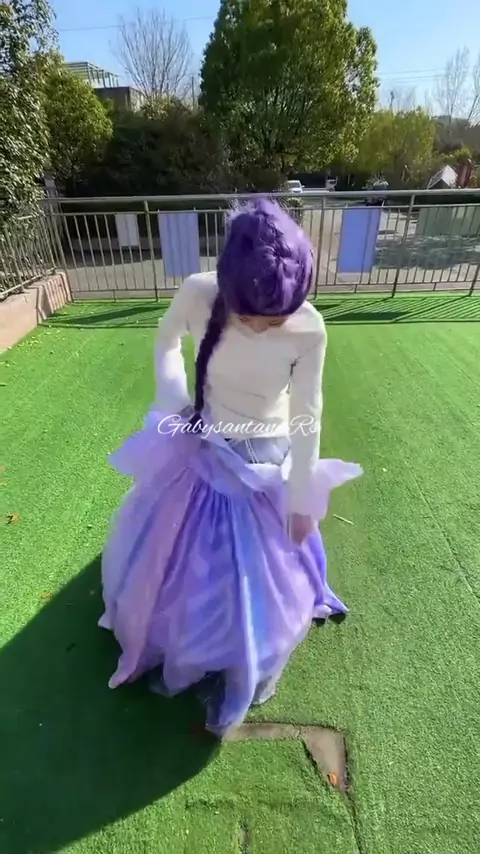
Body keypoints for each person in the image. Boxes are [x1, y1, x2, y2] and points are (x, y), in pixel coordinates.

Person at [99, 199, 362, 738]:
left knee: (260, 567)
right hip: (203, 440)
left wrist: (301, 497)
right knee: (179, 550)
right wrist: (174, 398)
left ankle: (244, 639)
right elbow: (167, 338)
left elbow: (308, 414)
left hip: (267, 453)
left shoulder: (309, 327)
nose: (265, 327)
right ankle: (184, 632)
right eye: (251, 316)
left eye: (277, 317)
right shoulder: (199, 292)